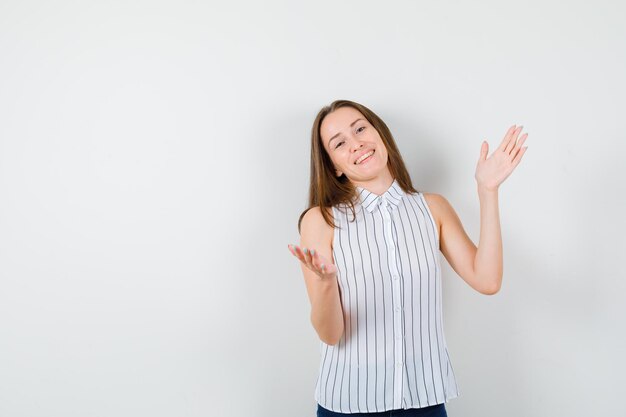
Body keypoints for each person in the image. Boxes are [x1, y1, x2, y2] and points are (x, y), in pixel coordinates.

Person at [287, 100, 528, 417]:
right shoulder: (321, 220)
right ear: (334, 166)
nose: (356, 143)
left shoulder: (433, 208)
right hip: (349, 403)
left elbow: (487, 280)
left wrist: (488, 191)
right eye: (339, 143)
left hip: (424, 401)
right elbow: (330, 334)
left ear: (380, 134)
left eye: (360, 128)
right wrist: (327, 284)